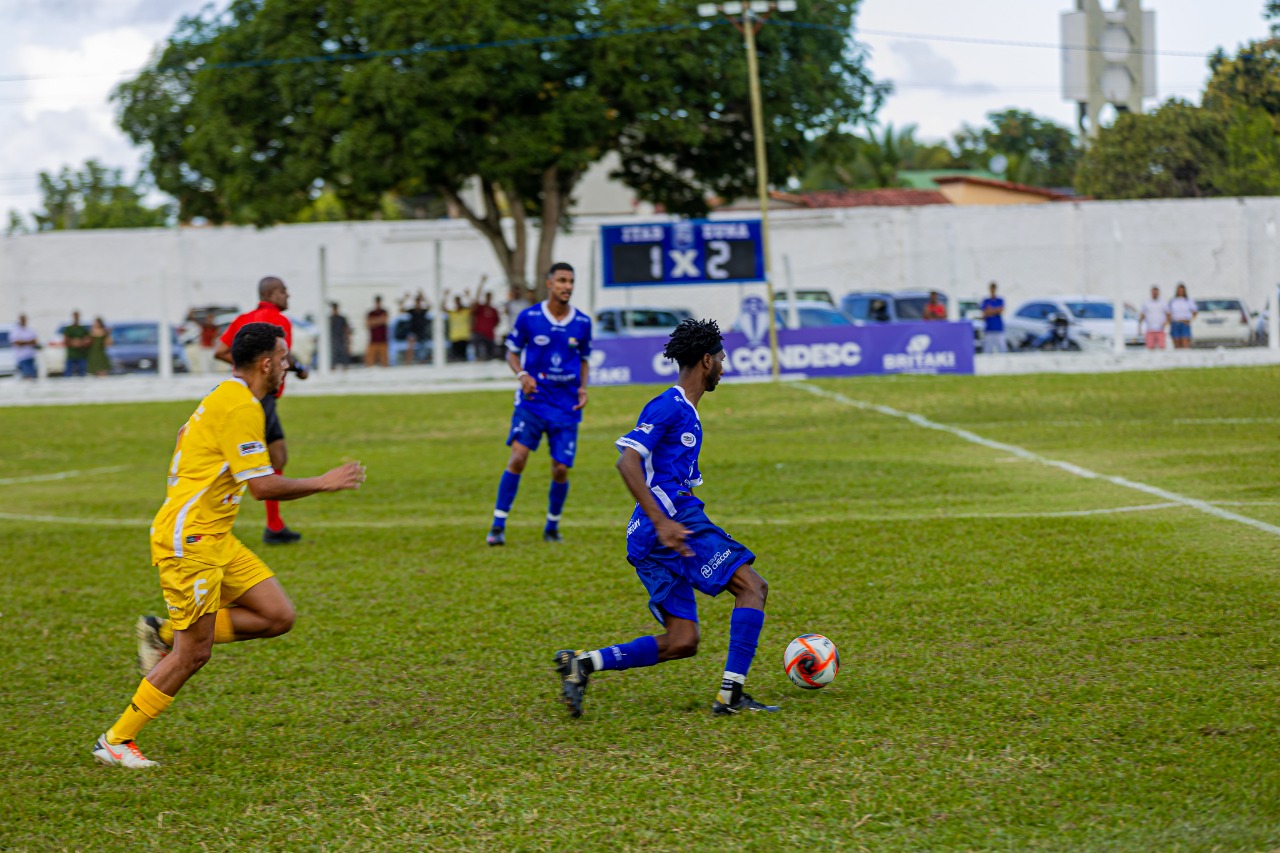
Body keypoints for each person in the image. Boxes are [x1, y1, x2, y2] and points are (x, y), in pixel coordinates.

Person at [91, 322, 366, 769]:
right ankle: (116, 740)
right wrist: (324, 481)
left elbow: (196, 444)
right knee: (194, 652)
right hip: (191, 541)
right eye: (283, 357)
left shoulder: (226, 394)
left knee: (277, 615)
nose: (287, 365)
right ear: (266, 363)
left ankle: (162, 633)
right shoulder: (240, 407)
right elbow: (262, 487)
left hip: (215, 536)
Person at [554, 318, 778, 718]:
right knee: (753, 588)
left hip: (650, 534)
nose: (723, 367)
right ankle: (731, 696)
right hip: (671, 523)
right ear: (706, 361)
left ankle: (583, 664)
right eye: (721, 359)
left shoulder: (687, 412)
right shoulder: (669, 406)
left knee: (682, 640)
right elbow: (627, 462)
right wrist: (663, 522)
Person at [486, 263, 591, 546]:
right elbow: (512, 352)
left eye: (571, 281)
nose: (567, 286)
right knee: (518, 458)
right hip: (532, 402)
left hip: (565, 406)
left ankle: (552, 526)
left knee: (560, 469)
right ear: (549, 283)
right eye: (562, 280)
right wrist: (522, 375)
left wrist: (582, 388)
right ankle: (497, 525)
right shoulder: (529, 317)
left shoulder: (582, 322)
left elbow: (584, 359)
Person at [214, 277, 310, 545]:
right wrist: (299, 369)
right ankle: (269, 525)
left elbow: (220, 351)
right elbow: (281, 355)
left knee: (278, 455)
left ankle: (275, 526)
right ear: (270, 293)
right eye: (283, 291)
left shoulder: (242, 319)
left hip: (255, 396)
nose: (288, 295)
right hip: (261, 398)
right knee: (260, 463)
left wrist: (245, 366)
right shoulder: (278, 321)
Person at [400, 292, 431, 364]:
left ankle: (422, 362)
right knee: (410, 342)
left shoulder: (423, 311)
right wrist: (405, 299)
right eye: (417, 302)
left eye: (419, 302)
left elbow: (430, 306)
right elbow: (401, 309)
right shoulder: (412, 311)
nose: (418, 303)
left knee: (423, 349)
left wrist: (424, 297)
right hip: (413, 332)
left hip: (422, 333)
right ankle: (408, 361)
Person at [472, 288, 500, 361]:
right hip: (480, 334)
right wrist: (481, 286)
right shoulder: (480, 308)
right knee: (480, 349)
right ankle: (479, 358)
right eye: (487, 297)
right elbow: (474, 305)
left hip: (490, 335)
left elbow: (497, 321)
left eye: (489, 297)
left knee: (490, 355)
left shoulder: (494, 310)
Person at [445, 290, 473, 362]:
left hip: (464, 337)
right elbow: (442, 308)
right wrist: (446, 296)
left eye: (458, 301)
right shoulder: (452, 313)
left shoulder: (465, 311)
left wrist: (468, 296)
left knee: (464, 357)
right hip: (454, 337)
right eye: (456, 301)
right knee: (456, 358)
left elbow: (473, 307)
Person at [1168, 282, 1197, 349]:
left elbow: (1194, 311)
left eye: (1182, 290)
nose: (1180, 292)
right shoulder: (1173, 300)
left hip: (1184, 323)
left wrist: (1190, 319)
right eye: (1179, 290)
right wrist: (1170, 321)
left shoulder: (1188, 300)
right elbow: (1169, 312)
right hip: (1175, 323)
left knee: (1185, 343)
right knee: (1176, 344)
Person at [1140, 285, 1169, 350]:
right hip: (1150, 329)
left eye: (1156, 292)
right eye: (1154, 292)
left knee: (1162, 348)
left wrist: (1166, 323)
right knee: (1150, 348)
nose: (1155, 294)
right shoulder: (1146, 303)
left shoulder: (1163, 302)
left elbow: (1168, 314)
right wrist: (1140, 326)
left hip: (1160, 329)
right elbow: (1142, 314)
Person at [63, 311, 91, 378]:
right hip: (71, 354)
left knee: (82, 373)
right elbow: (66, 340)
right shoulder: (68, 329)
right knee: (68, 373)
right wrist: (74, 342)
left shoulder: (83, 329)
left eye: (77, 316)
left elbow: (88, 340)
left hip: (81, 354)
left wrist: (80, 343)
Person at [980, 282, 1006, 353]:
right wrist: (995, 310)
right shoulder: (986, 301)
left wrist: (990, 310)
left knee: (1002, 349)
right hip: (989, 329)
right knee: (987, 350)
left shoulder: (1000, 300)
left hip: (998, 328)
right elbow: (984, 313)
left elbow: (1000, 310)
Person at [11, 314, 38, 379]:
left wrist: (23, 342)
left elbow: (35, 341)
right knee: (27, 375)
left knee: (33, 375)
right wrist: (29, 342)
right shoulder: (16, 331)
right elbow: (17, 343)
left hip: (30, 356)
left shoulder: (30, 330)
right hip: (22, 357)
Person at [365, 296, 389, 366]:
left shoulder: (384, 311)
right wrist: (379, 320)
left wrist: (373, 321)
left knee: (384, 361)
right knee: (369, 361)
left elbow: (384, 320)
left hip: (383, 340)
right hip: (373, 340)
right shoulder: (370, 313)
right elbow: (368, 324)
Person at [328, 302, 351, 370]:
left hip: (341, 341)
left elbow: (346, 329)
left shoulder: (341, 319)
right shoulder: (330, 319)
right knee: (332, 360)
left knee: (344, 358)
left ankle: (345, 371)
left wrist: (348, 341)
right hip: (332, 342)